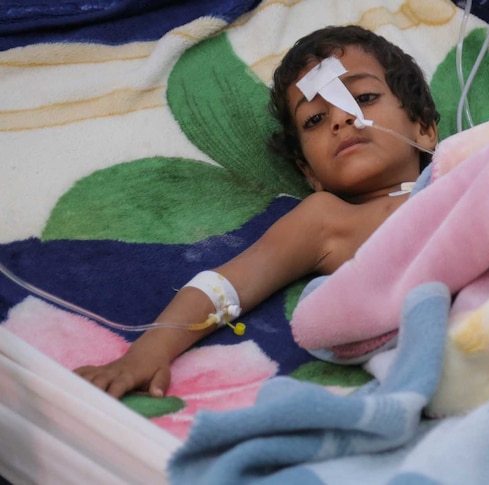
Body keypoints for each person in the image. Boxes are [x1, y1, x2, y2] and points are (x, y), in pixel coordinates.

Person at [73, 25, 440, 399]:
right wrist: (147, 353)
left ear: (425, 128)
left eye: (362, 96)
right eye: (315, 118)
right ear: (309, 173)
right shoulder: (327, 221)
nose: (342, 119)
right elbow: (227, 284)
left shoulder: (465, 168)